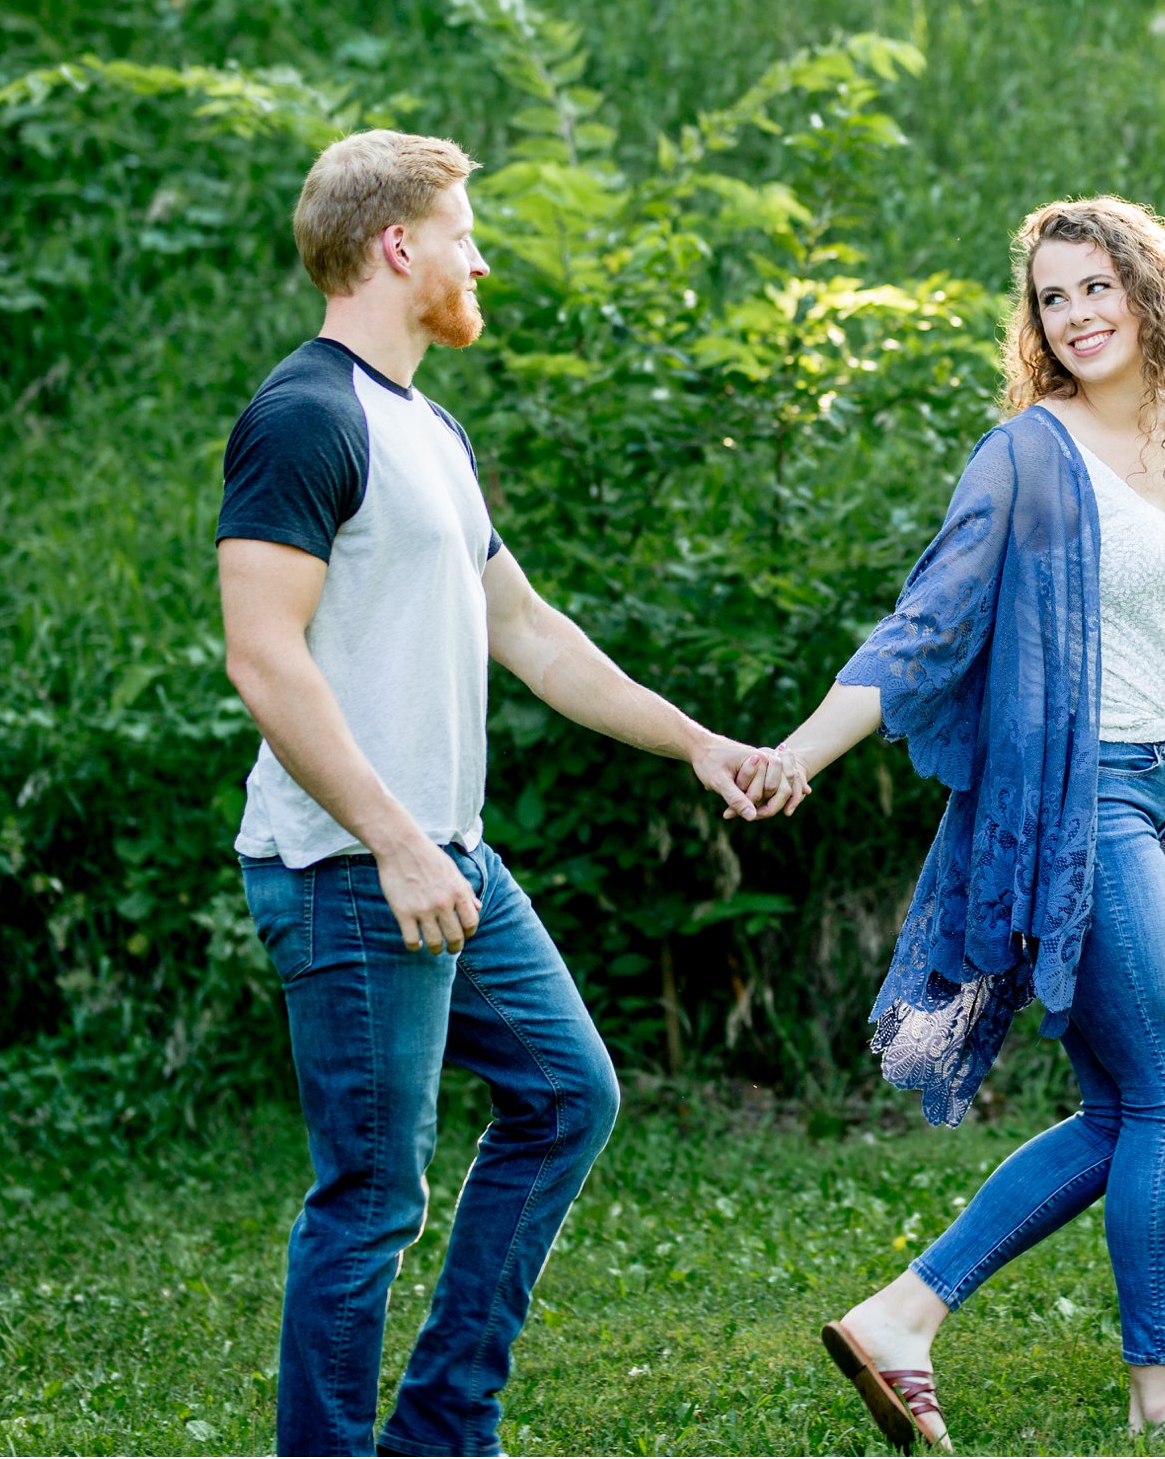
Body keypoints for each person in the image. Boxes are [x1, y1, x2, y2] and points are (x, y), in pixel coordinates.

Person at [217, 129, 800, 1458]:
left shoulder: (428, 425)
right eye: (465, 231)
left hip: (447, 857)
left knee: (567, 1094)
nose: (483, 258)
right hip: (351, 867)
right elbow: (264, 657)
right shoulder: (303, 418)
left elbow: (526, 629)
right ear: (397, 245)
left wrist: (694, 741)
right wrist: (392, 843)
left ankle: (440, 1428)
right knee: (368, 1194)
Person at [759, 196, 1165, 1450]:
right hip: (1085, 801)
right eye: (1051, 298)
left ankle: (902, 1314)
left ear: (1150, 291)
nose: (1074, 316)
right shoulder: (1026, 457)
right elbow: (925, 626)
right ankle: (1158, 1389)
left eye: (1095, 287)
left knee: (1125, 1105)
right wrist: (799, 749)